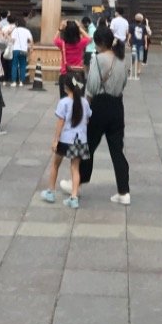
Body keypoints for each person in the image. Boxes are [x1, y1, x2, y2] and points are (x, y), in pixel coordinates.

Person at [65, 25, 130, 204]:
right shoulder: (123, 58)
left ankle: (78, 182)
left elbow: (92, 86)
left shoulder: (98, 58)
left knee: (88, 146)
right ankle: (124, 191)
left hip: (100, 105)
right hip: (117, 105)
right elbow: (124, 81)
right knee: (117, 149)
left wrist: (85, 109)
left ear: (98, 43)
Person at [42, 74, 92, 209]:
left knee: (55, 165)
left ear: (66, 87)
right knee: (75, 169)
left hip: (66, 139)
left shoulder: (63, 102)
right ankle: (74, 197)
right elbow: (87, 120)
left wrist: (55, 140)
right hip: (80, 140)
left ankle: (51, 191)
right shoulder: (85, 102)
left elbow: (60, 122)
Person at [10, 16, 33, 87]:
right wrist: (31, 48)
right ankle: (21, 82)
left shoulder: (15, 30)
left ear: (17, 23)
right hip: (24, 49)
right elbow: (31, 40)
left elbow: (12, 40)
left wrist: (9, 38)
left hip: (15, 49)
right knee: (23, 65)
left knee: (14, 65)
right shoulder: (27, 31)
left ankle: (14, 81)